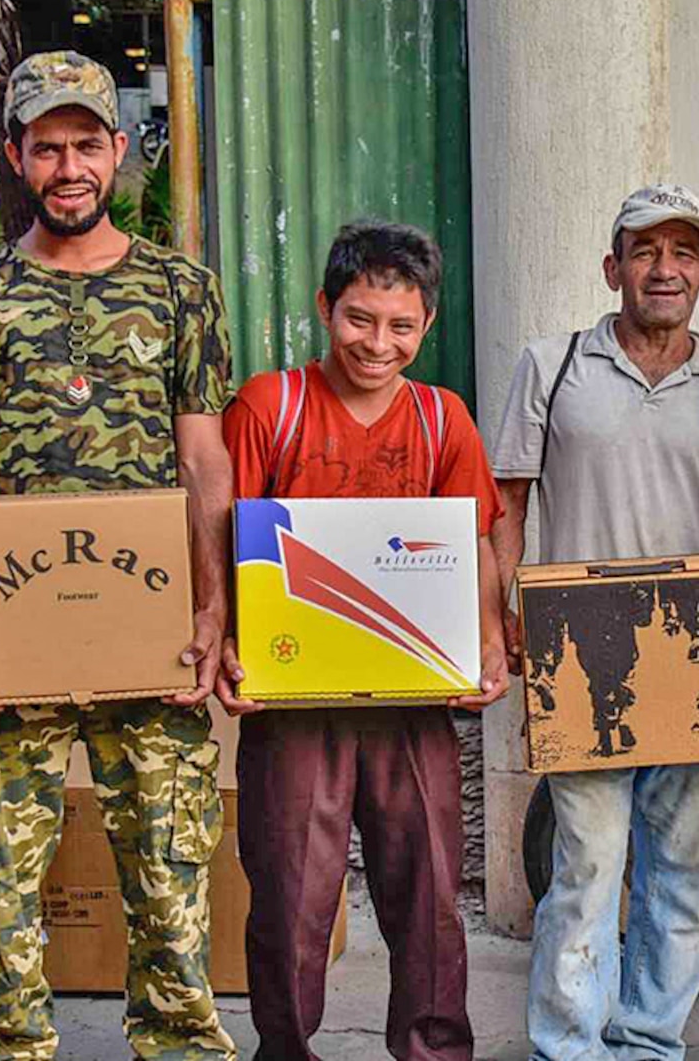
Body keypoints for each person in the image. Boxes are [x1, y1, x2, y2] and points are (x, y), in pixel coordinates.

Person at [0, 51, 237, 1061]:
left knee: (173, 892)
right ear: (15, 155)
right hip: (18, 639)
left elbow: (205, 458)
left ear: (119, 152)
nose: (67, 166)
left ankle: (179, 1047)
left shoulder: (183, 290)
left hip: (150, 632)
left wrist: (211, 606)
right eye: (45, 146)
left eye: (85, 143)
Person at [488, 184, 699, 1061]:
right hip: (580, 650)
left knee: (687, 875)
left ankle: (652, 1039)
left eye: (684, 253)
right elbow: (505, 502)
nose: (665, 269)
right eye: (645, 251)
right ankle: (571, 1047)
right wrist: (506, 608)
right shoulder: (550, 366)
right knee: (583, 867)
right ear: (612, 267)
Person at [222, 221, 509, 1061]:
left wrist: (487, 643)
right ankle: (285, 1048)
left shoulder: (439, 419)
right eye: (358, 319)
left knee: (428, 895)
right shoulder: (269, 408)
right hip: (294, 701)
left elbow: (476, 544)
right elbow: (223, 539)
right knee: (290, 897)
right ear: (325, 308)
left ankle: (432, 1049)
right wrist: (229, 645)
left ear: (425, 327)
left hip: (412, 698)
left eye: (400, 326)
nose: (377, 343)